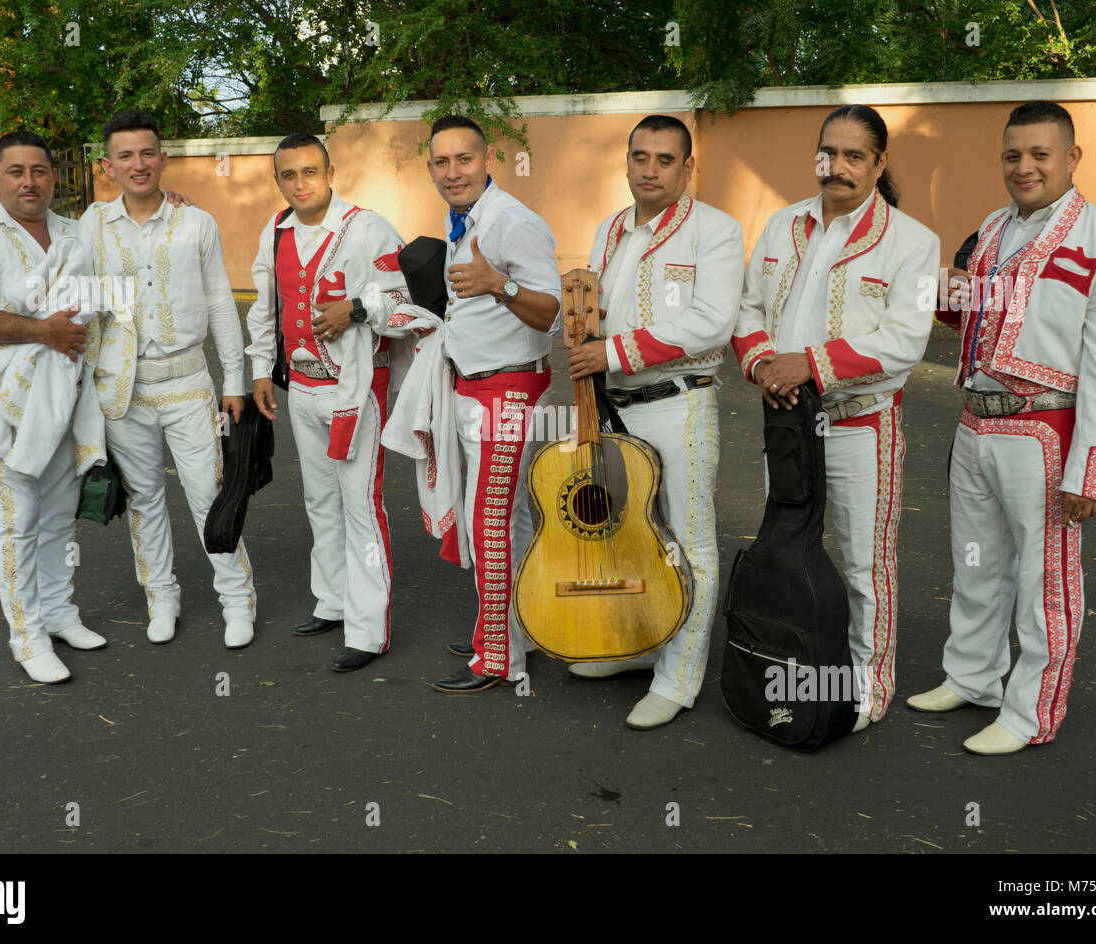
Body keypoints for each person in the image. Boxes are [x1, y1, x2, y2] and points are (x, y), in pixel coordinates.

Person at [907, 101, 1096, 755]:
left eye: (1041, 154)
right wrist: (943, 294)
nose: (1025, 167)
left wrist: (1090, 467)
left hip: (1048, 428)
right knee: (976, 566)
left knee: (1046, 582)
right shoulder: (992, 228)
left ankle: (1031, 713)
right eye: (1014, 155)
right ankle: (972, 676)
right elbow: (984, 318)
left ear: (1071, 158)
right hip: (976, 423)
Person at [731, 104, 940, 732]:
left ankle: (864, 695)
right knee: (788, 553)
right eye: (830, 152)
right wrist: (765, 364)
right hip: (786, 424)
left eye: (855, 155)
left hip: (860, 427)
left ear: (880, 164)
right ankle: (795, 669)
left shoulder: (913, 242)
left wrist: (810, 365)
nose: (839, 167)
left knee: (861, 565)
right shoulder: (782, 223)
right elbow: (747, 308)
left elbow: (905, 341)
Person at [565, 115, 744, 728]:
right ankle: (636, 648)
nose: (650, 170)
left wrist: (611, 351)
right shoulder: (611, 229)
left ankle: (678, 677)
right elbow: (596, 309)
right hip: (614, 407)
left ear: (688, 168)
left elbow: (712, 321)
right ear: (627, 162)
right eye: (640, 157)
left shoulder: (714, 230)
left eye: (665, 160)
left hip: (678, 402)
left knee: (686, 543)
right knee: (626, 535)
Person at [81, 109, 256, 649]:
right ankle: (162, 598)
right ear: (107, 165)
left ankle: (237, 599)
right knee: (144, 499)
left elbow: (220, 301)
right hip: (121, 388)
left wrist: (236, 380)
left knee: (210, 494)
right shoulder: (90, 225)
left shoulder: (196, 222)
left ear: (163, 158)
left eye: (147, 153)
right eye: (125, 155)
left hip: (187, 383)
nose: (138, 164)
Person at [0, 130, 108, 683]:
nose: (29, 181)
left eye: (39, 170)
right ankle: (26, 635)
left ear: (54, 176)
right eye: (16, 171)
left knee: (60, 516)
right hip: (5, 408)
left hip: (69, 400)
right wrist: (45, 332)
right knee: (15, 523)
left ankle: (58, 612)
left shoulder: (76, 232)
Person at [247, 132, 417, 672]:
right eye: (289, 175)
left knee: (362, 506)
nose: (300, 183)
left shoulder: (366, 228)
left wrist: (358, 310)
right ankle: (334, 601)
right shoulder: (275, 230)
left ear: (330, 172)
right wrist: (258, 371)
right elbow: (264, 307)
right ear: (279, 180)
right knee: (320, 501)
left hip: (355, 389)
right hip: (300, 387)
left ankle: (369, 630)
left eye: (310, 172)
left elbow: (406, 298)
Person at [424, 115, 562, 693]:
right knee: (514, 518)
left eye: (464, 160)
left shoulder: (512, 222)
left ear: (488, 162)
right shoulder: (466, 219)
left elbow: (551, 309)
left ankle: (500, 657)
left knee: (491, 521)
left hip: (507, 390)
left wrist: (498, 285)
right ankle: (520, 628)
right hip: (475, 385)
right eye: (441, 162)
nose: (453, 172)